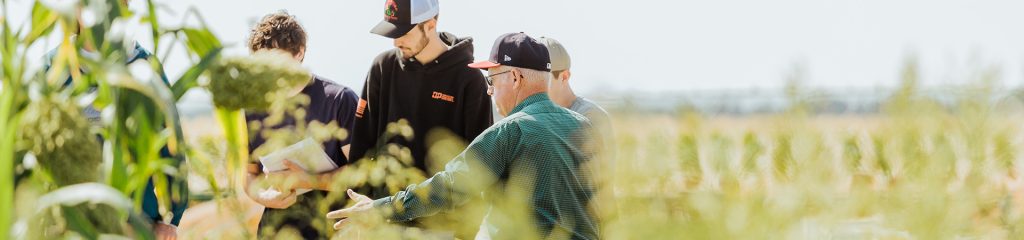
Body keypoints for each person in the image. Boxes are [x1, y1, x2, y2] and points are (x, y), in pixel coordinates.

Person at [329, 32, 601, 240]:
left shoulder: (510, 130)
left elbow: (449, 187)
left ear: (515, 78)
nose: (489, 91)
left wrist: (381, 208)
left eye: (492, 80)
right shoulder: (584, 125)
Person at [42, 1, 186, 238]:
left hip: (137, 222)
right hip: (73, 223)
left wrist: (170, 218)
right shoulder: (52, 68)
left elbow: (172, 143)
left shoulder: (145, 67)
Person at [348, 0, 492, 236]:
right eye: (392, 33)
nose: (396, 42)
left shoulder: (470, 80)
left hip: (442, 229)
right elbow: (361, 150)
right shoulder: (382, 67)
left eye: (404, 33)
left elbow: (477, 165)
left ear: (430, 25)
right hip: (383, 222)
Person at [239, 11, 359, 239]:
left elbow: (361, 172)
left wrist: (310, 180)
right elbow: (248, 173)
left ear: (299, 53)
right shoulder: (252, 109)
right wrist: (264, 197)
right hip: (275, 231)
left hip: (334, 229)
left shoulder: (339, 100)